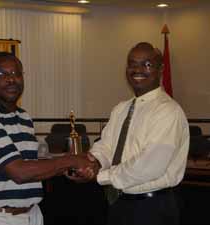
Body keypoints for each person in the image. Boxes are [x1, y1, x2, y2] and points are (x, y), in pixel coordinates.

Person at [0, 51, 93, 225]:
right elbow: (19, 172)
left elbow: (32, 165)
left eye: (16, 73)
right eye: (2, 74)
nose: (11, 79)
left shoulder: (23, 117)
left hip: (30, 215)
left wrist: (68, 170)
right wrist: (72, 161)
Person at [71, 42, 190, 225]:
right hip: (120, 203)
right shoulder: (121, 109)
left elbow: (149, 165)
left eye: (147, 64)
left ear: (161, 69)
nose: (138, 69)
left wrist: (100, 176)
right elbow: (107, 146)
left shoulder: (168, 111)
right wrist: (93, 162)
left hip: (152, 208)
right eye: (132, 64)